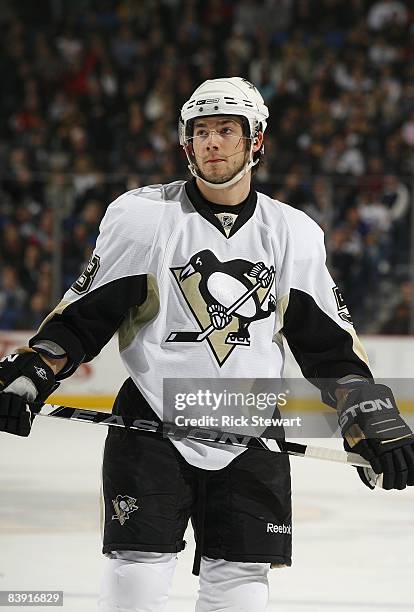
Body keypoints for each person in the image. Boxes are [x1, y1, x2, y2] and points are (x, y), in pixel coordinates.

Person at [1, 77, 414, 612]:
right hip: (150, 424)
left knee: (238, 590)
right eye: (200, 132)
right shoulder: (144, 218)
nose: (212, 142)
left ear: (255, 140)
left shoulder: (293, 232)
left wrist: (368, 413)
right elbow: (83, 319)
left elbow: (328, 349)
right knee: (136, 586)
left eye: (226, 130)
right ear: (185, 142)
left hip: (252, 430)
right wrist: (34, 369)